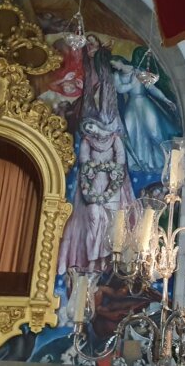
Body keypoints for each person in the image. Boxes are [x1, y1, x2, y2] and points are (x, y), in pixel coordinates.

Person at [58, 118, 136, 275]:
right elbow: (84, 160)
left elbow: (121, 160)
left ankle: (105, 260)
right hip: (93, 183)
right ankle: (92, 259)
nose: (90, 129)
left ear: (98, 124)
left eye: (91, 125)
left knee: (111, 221)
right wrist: (96, 168)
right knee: (93, 219)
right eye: (87, 128)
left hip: (112, 184)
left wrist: (109, 169)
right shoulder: (87, 141)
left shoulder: (114, 139)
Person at [110, 54, 181, 172]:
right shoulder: (117, 75)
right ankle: (141, 163)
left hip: (145, 103)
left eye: (114, 64)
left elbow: (151, 88)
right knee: (131, 132)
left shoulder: (139, 71)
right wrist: (133, 83)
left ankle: (165, 160)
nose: (114, 66)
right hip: (132, 105)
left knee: (154, 131)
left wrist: (165, 99)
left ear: (119, 61)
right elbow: (120, 89)